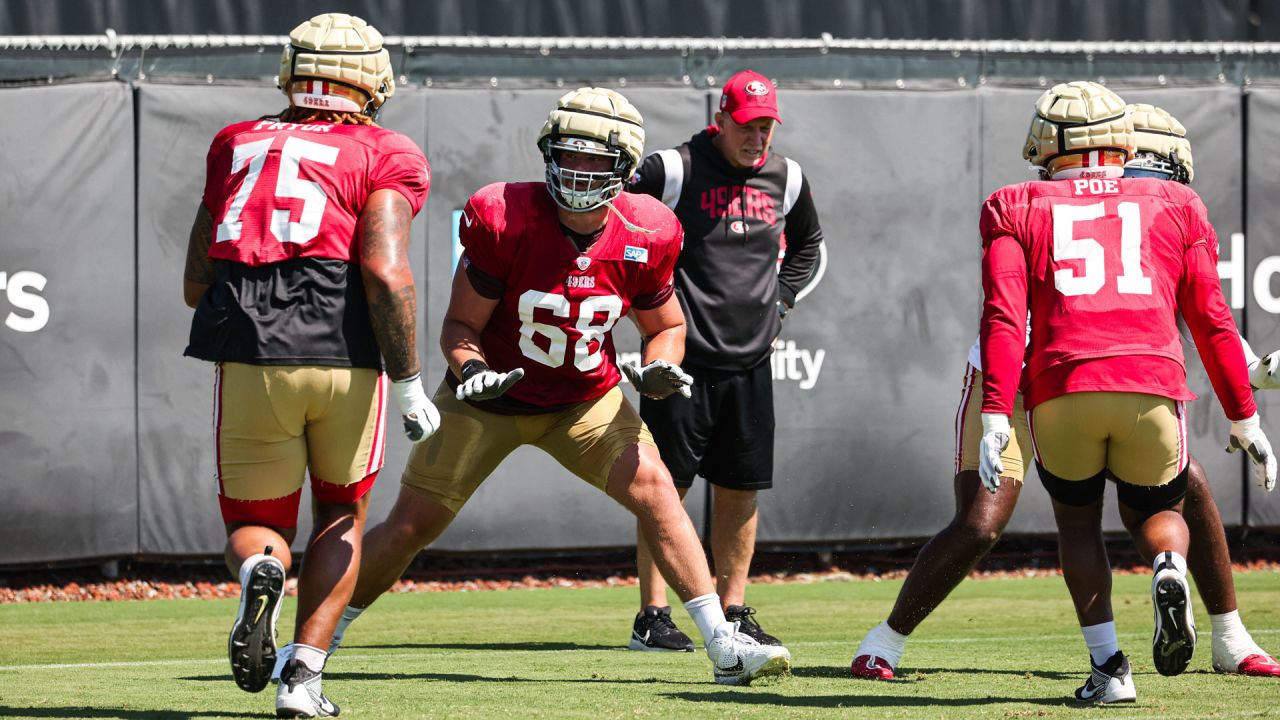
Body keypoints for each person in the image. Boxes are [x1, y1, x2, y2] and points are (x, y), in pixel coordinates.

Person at [320, 86, 792, 686]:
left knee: (656, 488)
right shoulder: (505, 216)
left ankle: (723, 644)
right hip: (491, 399)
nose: (580, 171)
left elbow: (667, 324)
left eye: (596, 161)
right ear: (548, 153)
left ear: (625, 167)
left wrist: (660, 362)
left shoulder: (649, 228)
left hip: (582, 400)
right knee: (412, 525)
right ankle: (318, 636)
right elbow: (461, 326)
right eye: (570, 156)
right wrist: (472, 371)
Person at [852, 101, 1280, 685]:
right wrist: (1246, 407)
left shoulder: (1081, 198)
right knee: (981, 523)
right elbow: (1196, 317)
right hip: (1018, 377)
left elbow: (1189, 316)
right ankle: (887, 639)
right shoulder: (1128, 200)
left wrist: (1251, 374)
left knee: (1182, 487)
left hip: (1069, 378)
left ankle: (1225, 637)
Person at [978, 81, 1275, 702]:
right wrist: (1246, 419)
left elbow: (1004, 320)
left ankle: (1109, 670)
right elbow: (1211, 320)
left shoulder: (1014, 203)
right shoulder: (1175, 203)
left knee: (1078, 522)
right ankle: (1169, 565)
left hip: (1061, 387)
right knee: (1162, 510)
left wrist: (995, 416)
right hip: (1149, 386)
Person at [182, 13, 441, 717]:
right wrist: (411, 380)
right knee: (340, 516)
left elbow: (195, 278)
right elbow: (386, 271)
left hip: (248, 348)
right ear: (372, 79)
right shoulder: (387, 149)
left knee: (254, 520)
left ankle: (264, 568)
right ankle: (302, 680)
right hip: (344, 350)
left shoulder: (235, 141)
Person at [624, 69, 825, 651]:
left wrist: (780, 301)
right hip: (678, 361)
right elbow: (619, 226)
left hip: (751, 362)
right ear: (721, 118)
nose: (757, 138)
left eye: (766, 127)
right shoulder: (673, 168)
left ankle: (733, 610)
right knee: (662, 489)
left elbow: (809, 246)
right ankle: (652, 617)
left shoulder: (787, 178)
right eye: (746, 126)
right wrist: (646, 305)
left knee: (741, 489)